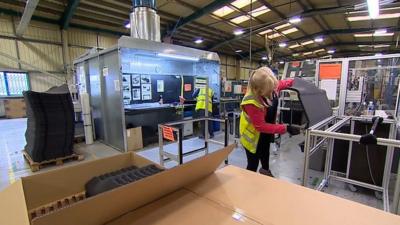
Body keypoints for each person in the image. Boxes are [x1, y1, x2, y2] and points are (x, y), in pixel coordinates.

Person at [240, 67, 299, 177]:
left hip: (265, 134)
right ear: (259, 90)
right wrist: (286, 128)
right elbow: (261, 126)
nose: (273, 92)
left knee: (265, 154)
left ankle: (265, 172)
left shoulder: (269, 86)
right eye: (270, 91)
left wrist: (296, 82)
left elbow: (282, 84)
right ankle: (248, 182)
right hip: (253, 138)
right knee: (253, 164)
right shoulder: (251, 102)